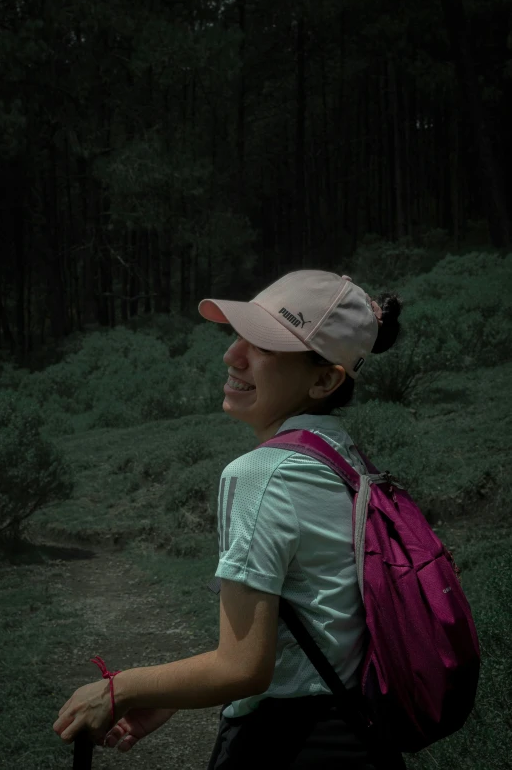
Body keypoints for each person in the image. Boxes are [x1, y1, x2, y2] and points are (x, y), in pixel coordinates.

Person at [199, 269, 405, 769]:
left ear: (324, 379)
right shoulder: (342, 455)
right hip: (362, 737)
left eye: (263, 345)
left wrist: (117, 692)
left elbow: (243, 669)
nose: (233, 355)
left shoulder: (260, 472)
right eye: (240, 335)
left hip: (285, 746)